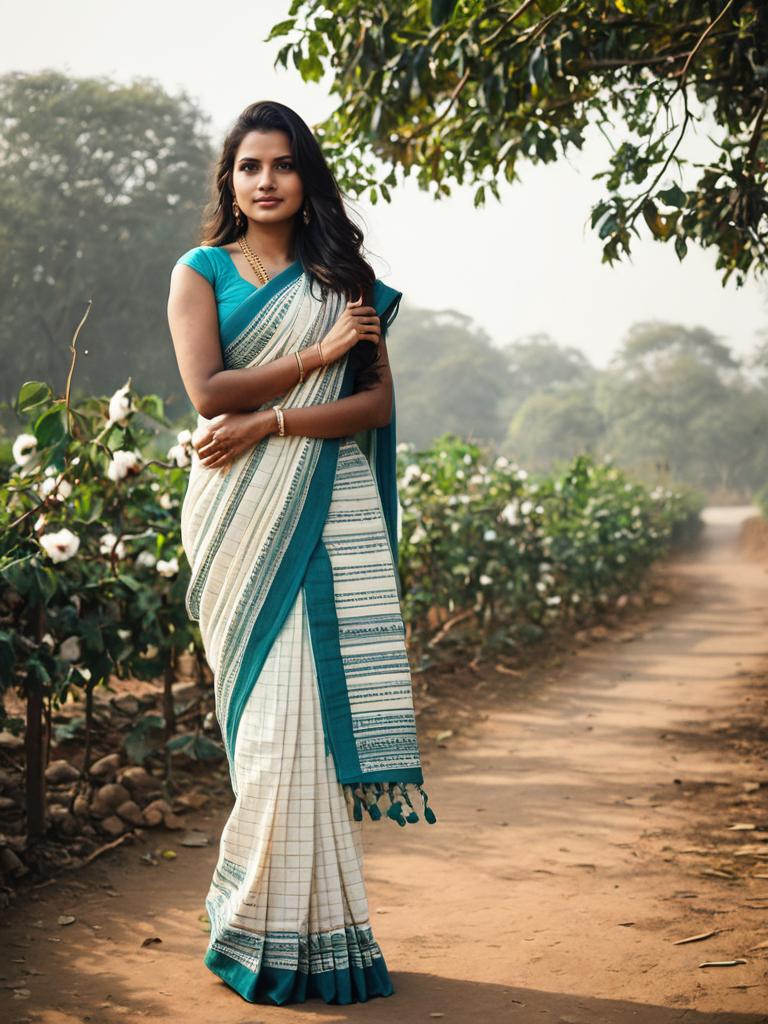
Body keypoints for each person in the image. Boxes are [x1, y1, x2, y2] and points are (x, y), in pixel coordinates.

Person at [166, 99, 437, 1007]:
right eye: (250, 167)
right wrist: (315, 352)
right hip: (235, 513)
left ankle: (310, 932)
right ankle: (257, 926)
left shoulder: (345, 280)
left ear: (305, 176)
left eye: (283, 165)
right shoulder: (200, 272)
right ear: (231, 180)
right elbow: (208, 392)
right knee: (264, 731)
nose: (267, 180)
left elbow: (373, 411)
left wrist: (275, 421)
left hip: (324, 506)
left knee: (300, 737)